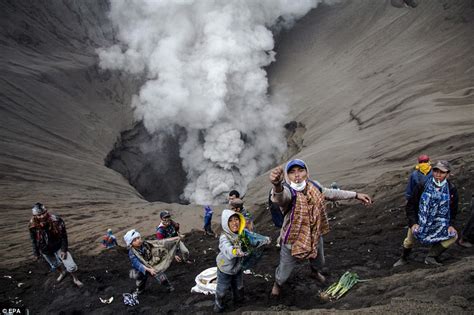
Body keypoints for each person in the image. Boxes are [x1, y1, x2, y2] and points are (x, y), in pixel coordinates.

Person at [269, 159, 372, 296]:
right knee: (284, 272)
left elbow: (331, 193)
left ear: (307, 172)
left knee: (319, 261)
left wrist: (356, 195)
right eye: (292, 172)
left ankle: (314, 272)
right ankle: (278, 284)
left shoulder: (314, 186)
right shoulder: (288, 191)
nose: (297, 175)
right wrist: (277, 185)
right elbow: (280, 198)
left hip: (314, 234)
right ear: (287, 176)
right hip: (292, 240)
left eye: (300, 170)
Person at [393, 160, 459, 267]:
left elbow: (453, 209)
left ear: (448, 174)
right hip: (420, 219)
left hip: (439, 221)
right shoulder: (422, 185)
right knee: (409, 241)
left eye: (442, 172)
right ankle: (404, 258)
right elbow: (411, 205)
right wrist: (414, 222)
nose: (438, 174)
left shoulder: (451, 189)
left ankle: (432, 256)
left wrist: (451, 224)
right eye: (436, 171)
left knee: (453, 236)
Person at [214, 209, 270, 312]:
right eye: (230, 221)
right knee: (222, 290)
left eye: (236, 219)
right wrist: (235, 252)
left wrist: (264, 239)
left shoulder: (243, 233)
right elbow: (227, 249)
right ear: (226, 223)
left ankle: (239, 303)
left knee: (239, 286)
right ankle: (219, 306)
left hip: (238, 267)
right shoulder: (224, 237)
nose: (234, 223)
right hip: (225, 269)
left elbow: (253, 238)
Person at [29, 202, 83, 287]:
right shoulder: (32, 225)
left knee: (71, 265)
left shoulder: (56, 220)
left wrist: (64, 250)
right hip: (45, 249)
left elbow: (64, 236)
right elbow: (33, 240)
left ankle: (75, 279)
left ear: (46, 211)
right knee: (54, 264)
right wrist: (36, 252)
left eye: (43, 213)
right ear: (35, 216)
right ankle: (62, 272)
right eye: (39, 215)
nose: (42, 216)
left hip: (58, 246)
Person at [124, 229, 178, 294]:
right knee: (140, 280)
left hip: (150, 263)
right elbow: (137, 263)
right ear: (131, 243)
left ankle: (169, 287)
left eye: (138, 238)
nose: (138, 241)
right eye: (135, 240)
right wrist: (149, 270)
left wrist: (175, 239)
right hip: (140, 269)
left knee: (160, 275)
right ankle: (140, 290)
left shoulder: (146, 243)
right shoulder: (132, 252)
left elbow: (159, 242)